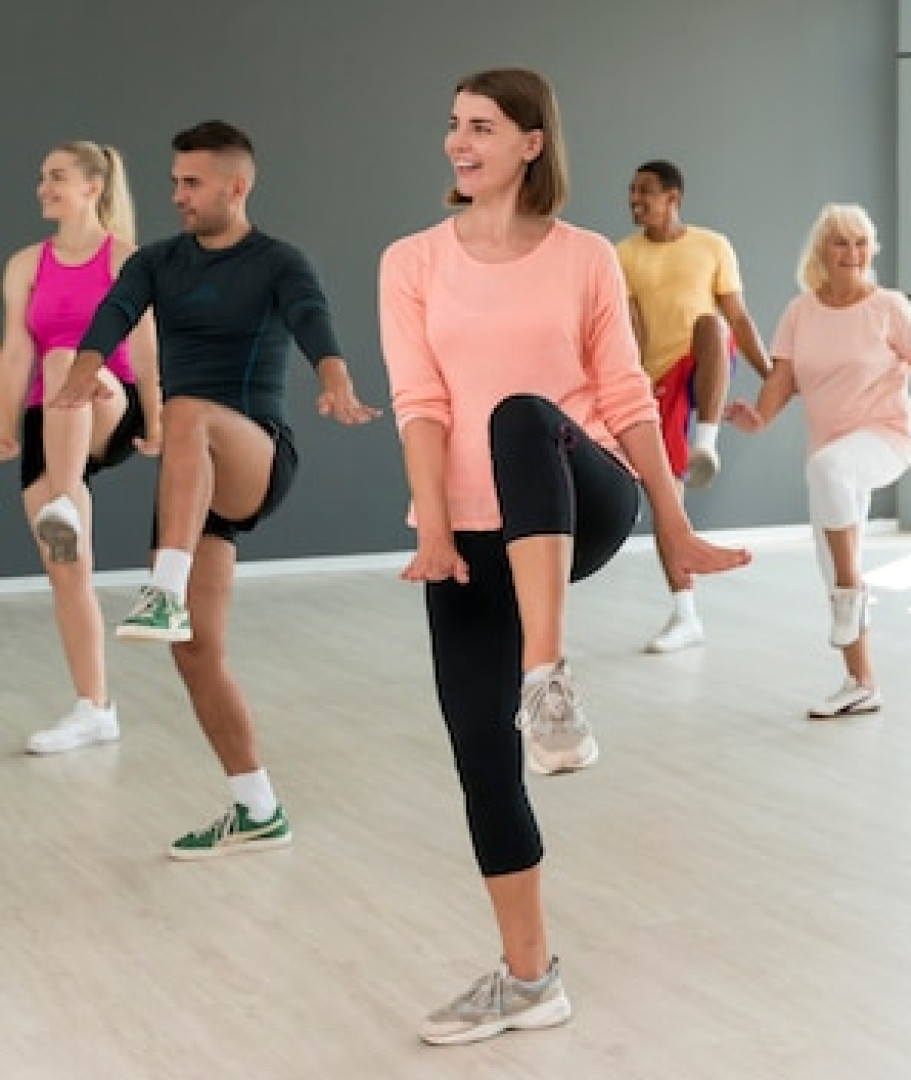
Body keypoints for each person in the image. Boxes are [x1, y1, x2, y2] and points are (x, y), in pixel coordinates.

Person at [380, 67, 750, 1046]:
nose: (460, 142)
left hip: (580, 496)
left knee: (520, 416)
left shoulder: (585, 257)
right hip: (470, 529)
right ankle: (531, 977)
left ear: (532, 143)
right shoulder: (410, 262)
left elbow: (626, 397)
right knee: (481, 762)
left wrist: (673, 523)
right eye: (453, 125)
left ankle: (548, 675)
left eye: (483, 127)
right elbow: (418, 402)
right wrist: (428, 524)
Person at [52, 120, 379, 855]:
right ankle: (257, 808)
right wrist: (84, 364)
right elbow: (113, 311)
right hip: (190, 485)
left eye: (192, 183)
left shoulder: (277, 261)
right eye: (174, 182)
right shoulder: (160, 261)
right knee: (196, 654)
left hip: (255, 454)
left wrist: (335, 376)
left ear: (239, 185)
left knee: (190, 411)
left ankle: (161, 587)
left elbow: (311, 319)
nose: (179, 195)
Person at [726, 204, 911, 718]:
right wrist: (757, 419)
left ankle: (854, 589)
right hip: (830, 449)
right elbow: (782, 380)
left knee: (830, 481)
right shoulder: (800, 311)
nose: (852, 253)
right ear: (821, 252)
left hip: (886, 435)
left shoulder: (888, 306)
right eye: (841, 243)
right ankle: (860, 681)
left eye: (861, 242)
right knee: (830, 557)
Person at [0, 141, 160, 754]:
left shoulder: (126, 260)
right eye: (41, 177)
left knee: (69, 356)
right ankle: (95, 708)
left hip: (111, 402)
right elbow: (17, 353)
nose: (43, 186)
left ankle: (66, 496)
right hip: (52, 419)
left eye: (56, 177)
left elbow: (145, 351)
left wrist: (162, 418)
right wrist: (6, 420)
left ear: (93, 187)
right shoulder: (24, 265)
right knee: (68, 571)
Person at [616, 159, 774, 653]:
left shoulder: (713, 245)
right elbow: (631, 328)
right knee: (667, 503)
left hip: (705, 362)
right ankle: (685, 614)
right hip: (658, 379)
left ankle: (707, 441)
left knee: (711, 325)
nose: (634, 200)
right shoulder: (622, 254)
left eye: (644, 191)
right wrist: (636, 387)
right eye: (631, 192)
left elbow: (739, 319)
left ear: (673, 197)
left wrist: (773, 376)